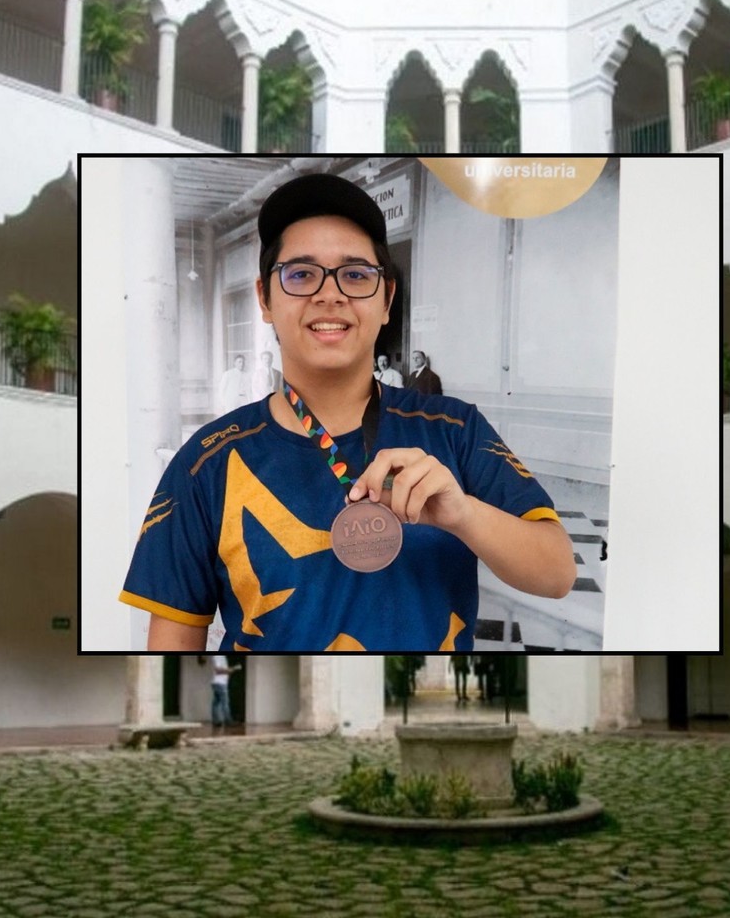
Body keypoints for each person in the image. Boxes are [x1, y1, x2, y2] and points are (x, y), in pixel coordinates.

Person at [119, 172, 576, 652]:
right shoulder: (204, 462)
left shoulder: (454, 429)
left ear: (387, 300)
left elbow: (557, 573)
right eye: (300, 274)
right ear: (265, 299)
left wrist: (463, 514)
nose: (329, 294)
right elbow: (170, 653)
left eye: (356, 275)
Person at [210, 655, 238, 732]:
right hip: (220, 683)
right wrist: (229, 670)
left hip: (219, 682)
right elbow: (218, 670)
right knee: (225, 702)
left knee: (216, 702)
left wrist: (230, 670)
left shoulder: (222, 657)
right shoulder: (217, 656)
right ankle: (228, 720)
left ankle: (216, 721)